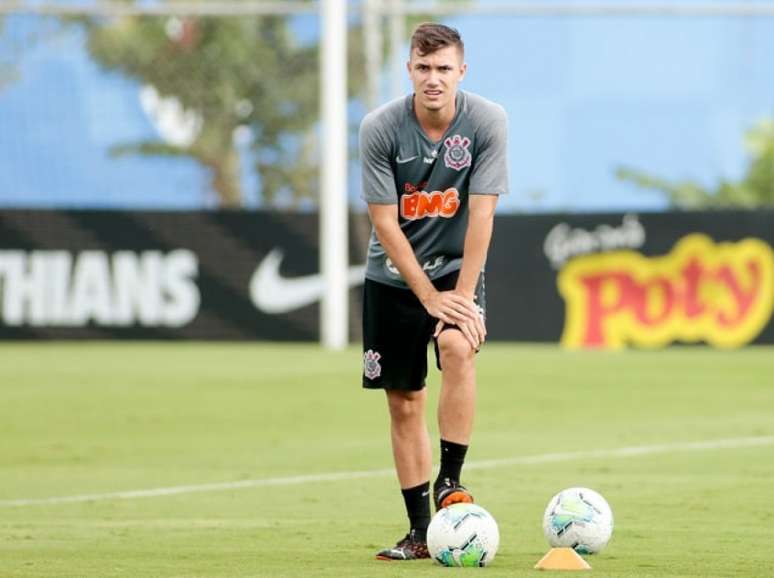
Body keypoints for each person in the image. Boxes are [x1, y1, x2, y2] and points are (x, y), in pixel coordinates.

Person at [358, 22, 509, 561]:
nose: (433, 79)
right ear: (409, 71)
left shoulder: (488, 121)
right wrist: (425, 295)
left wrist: (462, 300)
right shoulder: (379, 128)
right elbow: (385, 224)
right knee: (404, 403)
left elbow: (483, 214)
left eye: (443, 68)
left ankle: (451, 482)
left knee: (456, 346)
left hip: (454, 273)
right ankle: (421, 532)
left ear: (460, 71)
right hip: (393, 279)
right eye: (423, 68)